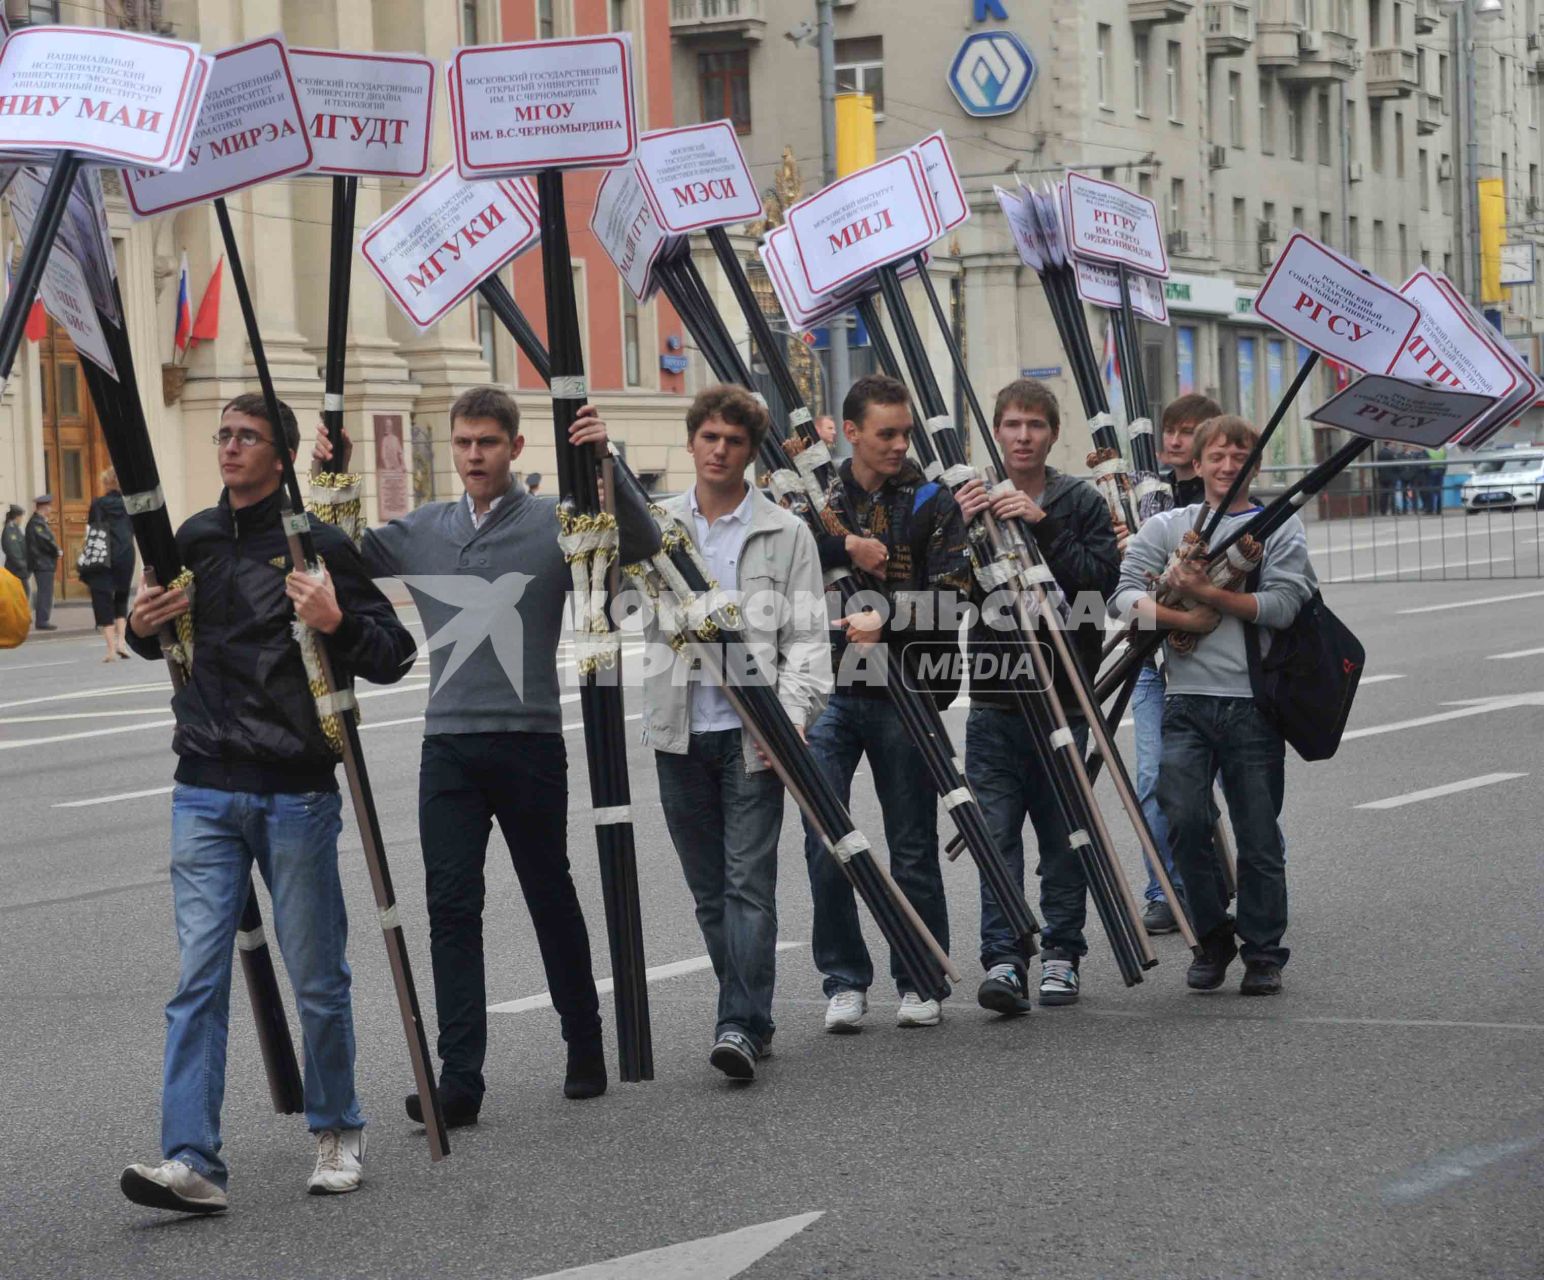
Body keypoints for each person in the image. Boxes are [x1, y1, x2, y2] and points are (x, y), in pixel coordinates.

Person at [312, 387, 659, 1127]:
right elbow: (336, 555)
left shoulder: (555, 521)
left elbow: (640, 543)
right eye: (464, 443)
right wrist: (322, 477)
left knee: (548, 896)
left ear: (515, 448)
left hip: (529, 741)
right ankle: (459, 1079)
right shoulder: (423, 529)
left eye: (488, 444)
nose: (474, 456)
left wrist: (609, 465)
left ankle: (584, 1043)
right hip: (449, 747)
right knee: (450, 908)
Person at [119, 393, 417, 1214]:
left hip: (296, 791)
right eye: (222, 435)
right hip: (204, 784)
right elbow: (157, 635)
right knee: (197, 978)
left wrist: (334, 619)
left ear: (281, 458)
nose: (229, 447)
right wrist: (142, 625)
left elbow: (393, 652)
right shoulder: (192, 539)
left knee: (316, 974)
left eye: (247, 436)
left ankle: (337, 1130)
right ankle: (191, 1159)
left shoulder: (317, 544)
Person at [640, 385, 831, 1080]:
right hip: (680, 730)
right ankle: (749, 1010)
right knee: (709, 890)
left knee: (749, 884)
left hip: (755, 731)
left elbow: (808, 636)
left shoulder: (785, 531)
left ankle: (738, 1025)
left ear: (752, 454)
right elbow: (617, 599)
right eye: (709, 438)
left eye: (734, 441)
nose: (720, 450)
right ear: (692, 443)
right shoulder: (656, 528)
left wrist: (795, 714)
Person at [1112, 415, 1315, 997]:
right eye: (1218, 457)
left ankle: (1262, 953)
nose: (1228, 467)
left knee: (1257, 836)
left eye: (1241, 457)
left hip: (1252, 705)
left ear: (1255, 465)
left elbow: (1283, 606)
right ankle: (1211, 935)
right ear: (1196, 465)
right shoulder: (1166, 528)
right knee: (1183, 820)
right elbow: (1123, 597)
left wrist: (1208, 592)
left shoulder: (1278, 527)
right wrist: (1182, 616)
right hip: (1184, 703)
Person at [799, 373, 972, 1032]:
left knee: (911, 844)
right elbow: (783, 563)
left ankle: (920, 975)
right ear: (851, 432)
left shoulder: (931, 499)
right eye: (886, 433)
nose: (900, 444)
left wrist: (888, 614)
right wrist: (842, 545)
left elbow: (958, 593)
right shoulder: (815, 496)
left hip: (907, 689)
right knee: (825, 840)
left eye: (905, 432)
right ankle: (844, 980)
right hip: (830, 692)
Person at [955, 379, 1120, 1011]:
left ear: (1052, 434)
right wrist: (961, 529)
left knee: (1063, 835)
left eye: (1035, 426)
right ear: (995, 432)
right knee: (995, 837)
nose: (1023, 437)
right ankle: (1003, 959)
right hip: (996, 699)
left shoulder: (1076, 500)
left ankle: (1061, 955)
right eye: (1012, 425)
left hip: (1065, 695)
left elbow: (1098, 585)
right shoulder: (972, 499)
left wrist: (1042, 527)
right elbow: (948, 587)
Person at [1124, 394, 1221, 936]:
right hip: (1149, 651)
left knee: (1228, 779)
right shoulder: (1141, 494)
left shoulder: (1223, 497)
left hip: (1212, 656)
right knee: (1152, 774)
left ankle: (1246, 878)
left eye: (1190, 431)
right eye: (1172, 430)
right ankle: (1165, 889)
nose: (1178, 440)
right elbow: (1118, 581)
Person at [87, 468, 137, 662]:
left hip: (104, 554)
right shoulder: (129, 505)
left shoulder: (98, 504)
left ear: (106, 483)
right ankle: (122, 643)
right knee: (121, 597)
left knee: (102, 598)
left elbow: (94, 528)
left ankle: (110, 649)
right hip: (126, 554)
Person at [26, 495, 61, 630]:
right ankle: (42, 621)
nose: (51, 509)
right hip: (42, 563)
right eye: (49, 507)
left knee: (46, 591)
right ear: (43, 507)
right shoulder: (36, 523)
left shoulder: (39, 522)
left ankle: (43, 619)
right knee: (45, 592)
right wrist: (56, 551)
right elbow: (45, 541)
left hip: (43, 562)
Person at [2, 504, 26, 587]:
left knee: (24, 592)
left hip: (19, 569)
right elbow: (13, 551)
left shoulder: (15, 529)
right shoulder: (10, 530)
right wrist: (23, 565)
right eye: (21, 517)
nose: (22, 520)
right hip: (15, 570)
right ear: (17, 517)